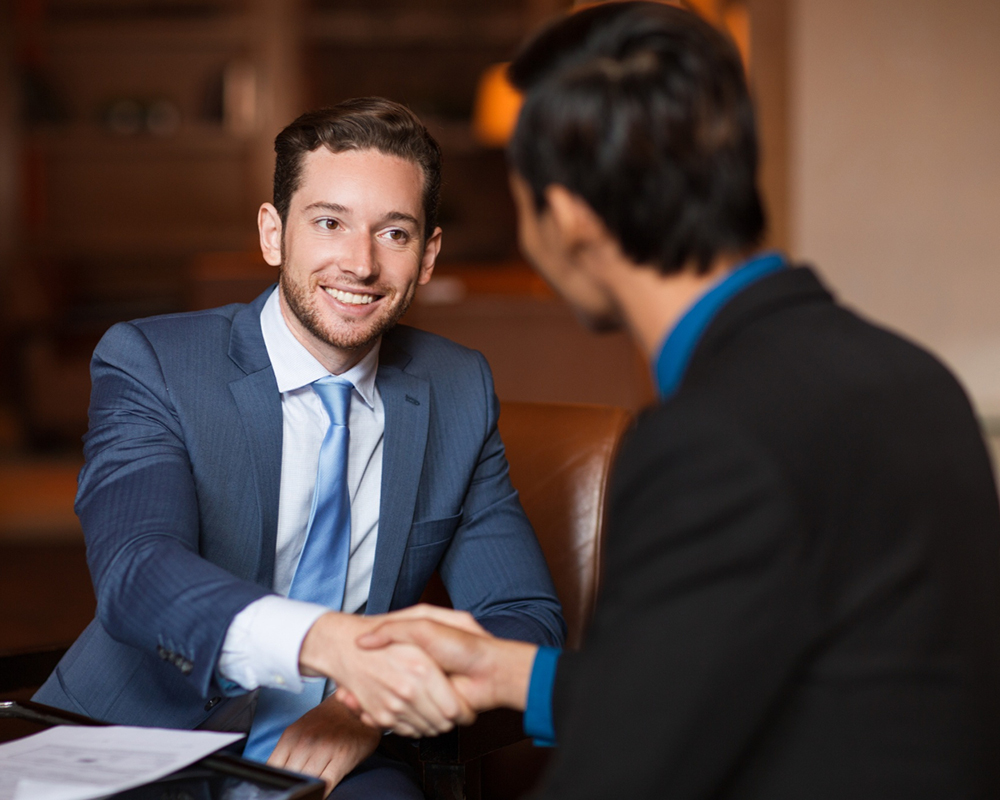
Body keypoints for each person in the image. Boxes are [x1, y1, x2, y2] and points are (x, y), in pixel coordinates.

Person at [341, 5, 1000, 798]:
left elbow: (625, 775)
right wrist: (516, 674)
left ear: (569, 217)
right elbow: (754, 686)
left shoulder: (712, 439)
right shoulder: (915, 378)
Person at [33, 97, 565, 798]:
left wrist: (363, 707)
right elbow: (137, 573)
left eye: (394, 233)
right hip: (137, 741)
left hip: (340, 753)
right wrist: (330, 644)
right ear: (273, 233)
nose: (361, 264)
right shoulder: (154, 362)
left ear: (428, 256)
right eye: (329, 222)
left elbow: (525, 617)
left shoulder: (459, 388)